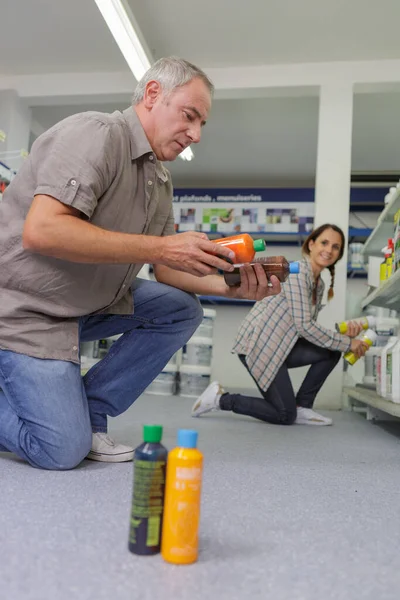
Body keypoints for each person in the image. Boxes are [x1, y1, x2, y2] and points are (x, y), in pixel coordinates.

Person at [0, 57, 281, 470]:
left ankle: (90, 410)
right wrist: (162, 249)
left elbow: (168, 272)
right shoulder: (96, 135)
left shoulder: (160, 179)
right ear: (152, 95)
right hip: (25, 311)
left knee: (180, 310)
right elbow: (42, 231)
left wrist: (230, 287)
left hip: (79, 306)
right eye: (190, 116)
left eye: (202, 123)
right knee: (60, 450)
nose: (197, 134)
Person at [192, 223, 370, 426]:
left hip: (281, 346)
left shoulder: (317, 283)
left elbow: (306, 328)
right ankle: (219, 399)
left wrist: (342, 336)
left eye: (335, 247)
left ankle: (302, 407)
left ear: (339, 254)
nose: (329, 250)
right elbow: (304, 326)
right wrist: (348, 344)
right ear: (311, 244)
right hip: (260, 344)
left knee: (330, 351)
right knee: (284, 415)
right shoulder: (297, 273)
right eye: (324, 243)